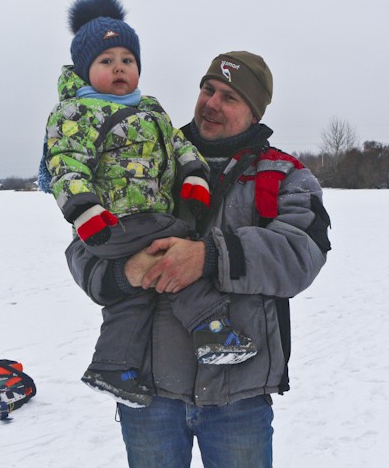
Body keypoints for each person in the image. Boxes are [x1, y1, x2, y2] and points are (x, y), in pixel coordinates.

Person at [65, 50, 331, 467]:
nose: (212, 104)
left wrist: (208, 256)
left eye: (230, 97)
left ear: (254, 111)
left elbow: (301, 254)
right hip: (148, 396)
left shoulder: (284, 173)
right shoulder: (144, 155)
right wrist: (123, 273)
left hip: (239, 400)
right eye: (208, 89)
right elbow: (83, 248)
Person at [40, 0, 257, 408]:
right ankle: (209, 327)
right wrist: (86, 214)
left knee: (136, 291)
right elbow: (65, 167)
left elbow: (178, 147)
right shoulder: (74, 113)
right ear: (85, 69)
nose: (119, 67)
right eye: (106, 60)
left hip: (145, 214)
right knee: (178, 244)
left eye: (128, 59)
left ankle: (112, 365)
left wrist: (194, 175)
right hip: (113, 221)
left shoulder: (151, 108)